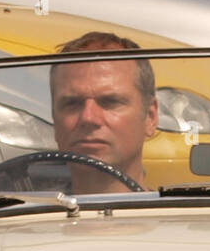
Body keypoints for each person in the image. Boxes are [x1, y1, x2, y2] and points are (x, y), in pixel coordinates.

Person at [49, 32, 159, 194]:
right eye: (72, 103)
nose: (88, 117)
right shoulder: (25, 209)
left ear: (150, 117)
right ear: (54, 119)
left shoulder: (185, 209)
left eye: (110, 102)